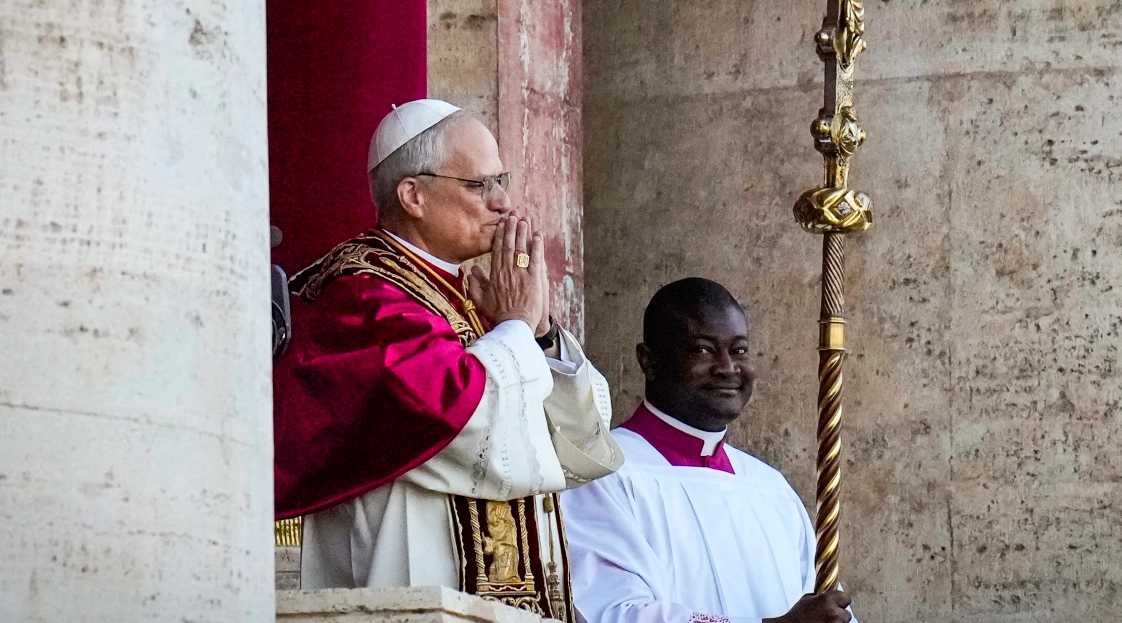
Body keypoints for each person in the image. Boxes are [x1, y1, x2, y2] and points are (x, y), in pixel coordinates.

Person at [273, 99, 622, 621]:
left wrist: (540, 333)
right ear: (413, 195)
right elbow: (451, 414)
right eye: (479, 185)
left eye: (500, 181)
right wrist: (515, 327)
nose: (503, 202)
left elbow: (573, 445)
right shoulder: (363, 293)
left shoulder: (474, 298)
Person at [561, 278, 858, 623]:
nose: (728, 368)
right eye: (702, 350)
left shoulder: (770, 488)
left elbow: (825, 608)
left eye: (739, 350)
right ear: (649, 361)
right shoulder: (602, 474)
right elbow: (612, 612)